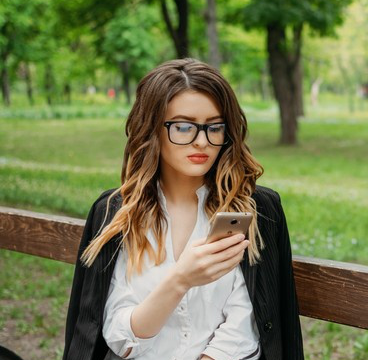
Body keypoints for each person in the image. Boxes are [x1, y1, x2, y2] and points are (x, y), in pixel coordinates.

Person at [62, 58, 304, 360]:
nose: (202, 141)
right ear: (152, 129)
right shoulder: (116, 213)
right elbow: (119, 336)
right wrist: (181, 280)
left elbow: (248, 323)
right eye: (183, 126)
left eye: (214, 127)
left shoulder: (256, 210)